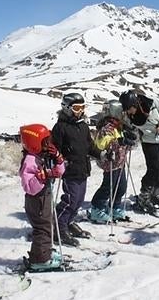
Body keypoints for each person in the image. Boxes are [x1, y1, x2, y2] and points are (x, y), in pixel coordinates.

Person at [52, 92, 102, 247]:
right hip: (70, 170)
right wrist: (59, 162)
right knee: (70, 201)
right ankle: (59, 228)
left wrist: (101, 154)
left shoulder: (82, 125)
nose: (80, 110)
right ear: (67, 108)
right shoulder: (60, 127)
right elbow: (55, 149)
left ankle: (69, 222)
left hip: (83, 168)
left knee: (79, 200)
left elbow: (89, 146)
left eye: (82, 107)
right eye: (76, 107)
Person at [19, 123, 65, 270]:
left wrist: (58, 159)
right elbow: (29, 187)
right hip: (36, 200)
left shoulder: (43, 156)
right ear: (34, 143)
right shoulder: (30, 161)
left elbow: (59, 172)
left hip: (44, 197)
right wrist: (43, 176)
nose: (48, 144)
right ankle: (39, 259)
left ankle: (45, 252)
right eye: (45, 142)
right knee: (42, 228)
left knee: (48, 224)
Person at [119, 90, 159, 214]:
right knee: (154, 169)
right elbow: (129, 128)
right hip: (149, 142)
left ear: (136, 103)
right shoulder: (128, 115)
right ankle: (144, 195)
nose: (129, 111)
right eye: (126, 109)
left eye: (130, 108)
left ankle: (156, 193)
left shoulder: (152, 102)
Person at [89, 100, 137, 223]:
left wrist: (129, 140)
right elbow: (101, 144)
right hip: (109, 162)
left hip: (119, 162)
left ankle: (114, 207)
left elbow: (123, 142)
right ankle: (96, 208)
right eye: (121, 112)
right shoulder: (107, 127)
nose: (123, 114)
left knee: (121, 187)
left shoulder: (119, 126)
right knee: (108, 187)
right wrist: (120, 142)